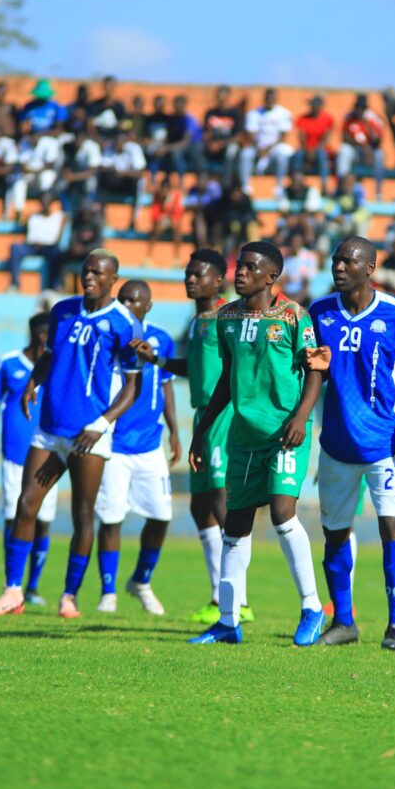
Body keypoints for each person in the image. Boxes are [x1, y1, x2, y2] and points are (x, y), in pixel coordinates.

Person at [0, 249, 142, 619]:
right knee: (26, 504)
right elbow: (50, 357)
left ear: (112, 280)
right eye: (86, 271)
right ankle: (12, 591)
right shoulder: (62, 311)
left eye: (98, 273)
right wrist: (32, 383)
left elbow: (131, 388)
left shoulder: (124, 323)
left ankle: (69, 594)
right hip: (50, 428)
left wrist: (101, 424)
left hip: (90, 434)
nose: (89, 278)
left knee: (82, 514)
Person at [188, 241, 327, 646]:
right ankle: (228, 621)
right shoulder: (227, 317)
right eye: (239, 265)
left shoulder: (293, 316)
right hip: (243, 437)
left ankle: (312, 608)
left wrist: (301, 418)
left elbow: (315, 371)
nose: (240, 273)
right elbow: (226, 379)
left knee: (283, 513)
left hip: (286, 433)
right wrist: (202, 429)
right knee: (235, 525)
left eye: (250, 267)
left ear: (271, 276)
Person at [308, 237, 395, 650]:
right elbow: (311, 375)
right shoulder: (319, 312)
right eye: (335, 259)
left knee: (390, 526)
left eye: (348, 260)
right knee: (334, 534)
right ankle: (344, 622)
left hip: (386, 445)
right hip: (336, 446)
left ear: (370, 267)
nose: (339, 266)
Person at [130, 249, 255, 625]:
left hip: (223, 414)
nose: (190, 279)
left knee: (220, 499)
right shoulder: (198, 321)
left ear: (218, 280)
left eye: (198, 274)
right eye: (188, 273)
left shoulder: (227, 316)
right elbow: (197, 367)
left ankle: (239, 598)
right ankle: (219, 595)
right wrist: (159, 361)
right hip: (204, 413)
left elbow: (240, 365)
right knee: (200, 506)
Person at [93, 280, 181, 615]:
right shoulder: (112, 334)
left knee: (161, 516)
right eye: (124, 299)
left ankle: (141, 580)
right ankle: (108, 590)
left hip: (149, 444)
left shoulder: (161, 338)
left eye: (137, 300)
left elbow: (167, 386)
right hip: (114, 443)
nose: (130, 304)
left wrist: (174, 432)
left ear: (149, 306)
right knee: (112, 517)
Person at [0, 313, 58, 606]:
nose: (45, 338)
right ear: (34, 333)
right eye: (42, 333)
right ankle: (10, 581)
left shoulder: (56, 364)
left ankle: (34, 586)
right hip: (14, 454)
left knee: (43, 521)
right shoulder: (9, 362)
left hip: (48, 454)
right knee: (13, 516)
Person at [7, 193, 64, 291]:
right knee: (15, 248)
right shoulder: (33, 217)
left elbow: (58, 236)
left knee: (56, 253)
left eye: (47, 203)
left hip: (48, 248)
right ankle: (14, 283)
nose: (45, 205)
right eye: (43, 203)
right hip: (31, 247)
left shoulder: (59, 217)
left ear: (51, 204)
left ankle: (54, 285)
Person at [239, 88, 294, 188]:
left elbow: (283, 135)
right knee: (245, 154)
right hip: (258, 148)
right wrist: (259, 148)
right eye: (268, 98)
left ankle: (279, 187)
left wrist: (268, 149)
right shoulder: (254, 114)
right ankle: (245, 187)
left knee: (283, 155)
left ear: (276, 99)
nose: (270, 100)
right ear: (264, 99)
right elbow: (251, 133)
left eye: (272, 98)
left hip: (275, 147)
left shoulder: (284, 113)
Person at [336, 93, 385, 198]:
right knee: (344, 151)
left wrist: (366, 125)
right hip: (355, 150)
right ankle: (341, 186)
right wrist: (360, 146)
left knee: (380, 156)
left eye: (362, 108)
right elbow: (344, 137)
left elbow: (378, 140)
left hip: (371, 152)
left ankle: (378, 192)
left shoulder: (372, 118)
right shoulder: (349, 117)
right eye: (358, 107)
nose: (359, 110)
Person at [291, 94, 335, 193]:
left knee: (322, 155)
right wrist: (307, 150)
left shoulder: (327, 119)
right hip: (306, 149)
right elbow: (302, 138)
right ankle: (296, 181)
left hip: (320, 149)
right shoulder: (303, 118)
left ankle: (324, 185)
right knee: (298, 155)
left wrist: (314, 150)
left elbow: (325, 139)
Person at [202, 85, 243, 185]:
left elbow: (238, 137)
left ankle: (226, 185)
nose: (221, 97)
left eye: (223, 95)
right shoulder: (210, 113)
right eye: (219, 95)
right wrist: (210, 143)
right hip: (212, 147)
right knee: (197, 148)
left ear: (228, 96)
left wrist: (220, 144)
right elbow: (205, 133)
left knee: (231, 150)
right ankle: (203, 181)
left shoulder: (236, 113)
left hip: (228, 145)